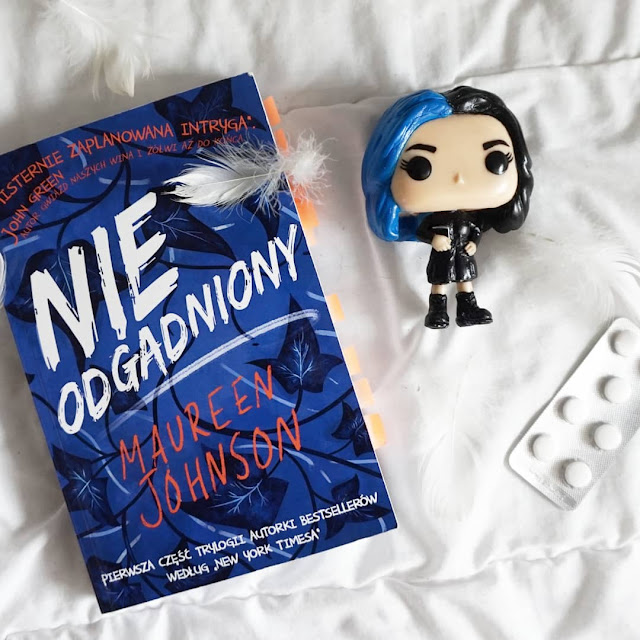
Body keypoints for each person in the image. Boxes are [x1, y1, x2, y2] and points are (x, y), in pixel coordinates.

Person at [361, 86, 533, 328]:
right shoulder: (432, 219)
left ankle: (467, 309)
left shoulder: (474, 217)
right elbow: (424, 229)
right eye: (420, 166)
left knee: (465, 280)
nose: (459, 178)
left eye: (495, 161)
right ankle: (437, 311)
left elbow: (477, 229)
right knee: (439, 281)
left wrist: (474, 242)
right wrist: (433, 239)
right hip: (442, 252)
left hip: (462, 252)